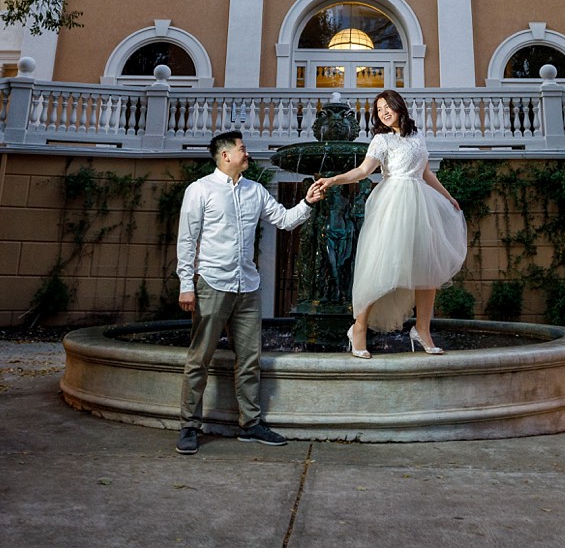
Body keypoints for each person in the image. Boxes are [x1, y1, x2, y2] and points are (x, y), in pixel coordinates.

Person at [175, 130, 324, 455]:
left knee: (250, 359)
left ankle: (250, 424)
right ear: (225, 155)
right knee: (200, 357)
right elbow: (187, 240)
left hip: (247, 286)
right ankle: (189, 425)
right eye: (242, 149)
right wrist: (187, 284)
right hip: (212, 283)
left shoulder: (255, 191)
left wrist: (307, 202)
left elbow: (284, 221)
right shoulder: (200, 190)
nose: (247, 153)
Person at [308, 90, 466, 359]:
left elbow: (426, 173)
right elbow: (362, 171)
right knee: (381, 269)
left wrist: (448, 197)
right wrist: (333, 180)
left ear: (398, 106)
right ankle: (358, 328)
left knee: (427, 269)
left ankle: (422, 330)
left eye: (386, 107)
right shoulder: (381, 140)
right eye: (379, 109)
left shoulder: (417, 137)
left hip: (421, 205)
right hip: (393, 205)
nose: (383, 112)